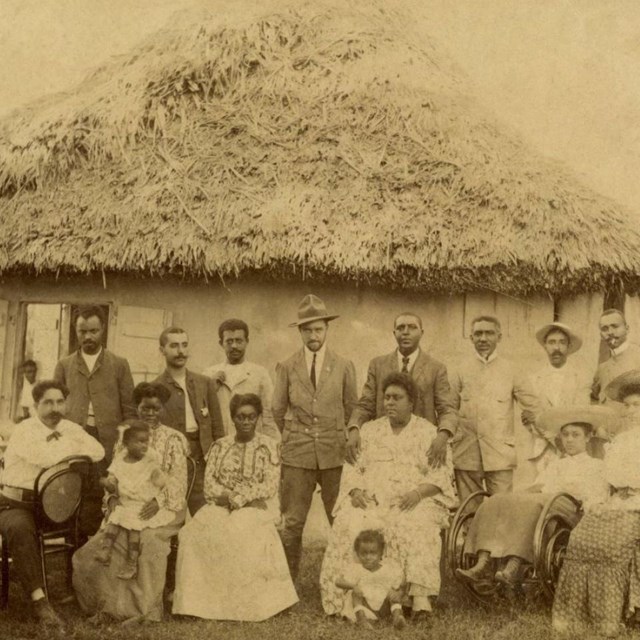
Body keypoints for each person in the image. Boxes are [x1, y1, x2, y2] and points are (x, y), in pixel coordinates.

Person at [320, 372, 456, 622]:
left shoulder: (427, 432)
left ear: (411, 402)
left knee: (415, 524)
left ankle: (418, 601)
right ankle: (348, 601)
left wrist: (417, 493)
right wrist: (356, 491)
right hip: (373, 499)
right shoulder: (370, 431)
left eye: (397, 398)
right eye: (387, 398)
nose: (390, 403)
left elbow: (441, 477)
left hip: (414, 499)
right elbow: (352, 467)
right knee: (349, 521)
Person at [173, 393, 298, 620]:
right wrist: (231, 499)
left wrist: (239, 500)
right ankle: (197, 604)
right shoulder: (220, 446)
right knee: (193, 533)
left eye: (251, 417)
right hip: (222, 504)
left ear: (258, 418)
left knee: (241, 530)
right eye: (241, 417)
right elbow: (210, 485)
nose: (246, 422)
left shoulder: (268, 446)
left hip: (257, 505)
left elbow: (268, 485)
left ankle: (246, 606)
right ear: (233, 418)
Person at [73, 382, 189, 623]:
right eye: (145, 408)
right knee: (101, 546)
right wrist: (113, 497)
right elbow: (117, 473)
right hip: (127, 506)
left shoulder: (173, 439)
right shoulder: (125, 437)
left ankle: (145, 609)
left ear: (162, 409)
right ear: (137, 407)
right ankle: (107, 606)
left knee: (148, 544)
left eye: (155, 408)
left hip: (164, 508)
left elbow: (178, 480)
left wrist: (159, 500)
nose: (150, 413)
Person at [456, 406, 610, 587]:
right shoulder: (555, 465)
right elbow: (538, 486)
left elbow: (596, 497)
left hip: (571, 509)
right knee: (497, 499)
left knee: (535, 504)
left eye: (575, 435)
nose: (569, 439)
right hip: (546, 502)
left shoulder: (596, 466)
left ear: (588, 437)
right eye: (565, 434)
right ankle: (482, 561)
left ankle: (514, 563)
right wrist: (514, 497)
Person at [0, 380, 105, 629]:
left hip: (55, 505)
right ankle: (39, 601)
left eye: (59, 402)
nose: (55, 408)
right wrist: (74, 454)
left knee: (88, 518)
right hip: (16, 503)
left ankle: (78, 588)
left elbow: (98, 450)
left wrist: (73, 449)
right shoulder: (25, 430)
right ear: (36, 405)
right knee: (19, 529)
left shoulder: (70, 427)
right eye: (48, 402)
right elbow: (44, 457)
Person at [272, 294, 358, 579]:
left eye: (318, 329)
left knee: (340, 518)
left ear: (327, 330)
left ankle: (344, 578)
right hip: (298, 453)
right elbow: (277, 409)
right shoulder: (286, 366)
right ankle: (288, 583)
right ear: (300, 332)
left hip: (335, 453)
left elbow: (352, 408)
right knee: (293, 521)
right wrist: (294, 434)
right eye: (307, 330)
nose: (313, 335)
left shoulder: (344, 365)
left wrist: (344, 438)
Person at [553, 370, 640, 637]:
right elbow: (605, 480)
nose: (631, 410)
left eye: (638, 405)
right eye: (627, 405)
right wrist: (596, 501)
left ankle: (622, 611)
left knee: (615, 542)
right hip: (617, 501)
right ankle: (584, 613)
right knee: (581, 537)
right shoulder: (621, 441)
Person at [54, 305, 136, 536]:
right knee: (74, 491)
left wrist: (123, 442)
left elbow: (130, 410)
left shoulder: (119, 364)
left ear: (103, 330)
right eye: (82, 331)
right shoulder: (65, 365)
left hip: (108, 440)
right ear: (76, 331)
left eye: (93, 331)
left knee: (105, 493)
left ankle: (102, 548)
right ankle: (75, 547)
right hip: (75, 441)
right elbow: (56, 407)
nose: (88, 337)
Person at [346, 312, 457, 465]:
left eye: (412, 327)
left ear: (421, 333)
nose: (405, 332)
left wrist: (442, 436)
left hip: (421, 446)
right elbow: (365, 404)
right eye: (400, 328)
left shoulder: (436, 368)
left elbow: (447, 409)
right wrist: (354, 429)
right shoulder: (378, 365)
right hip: (384, 446)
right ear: (394, 333)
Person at [451, 315, 541, 501]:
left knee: (501, 511)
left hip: (500, 455)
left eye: (489, 333)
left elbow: (533, 405)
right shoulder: (460, 370)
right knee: (468, 512)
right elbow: (448, 409)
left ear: (499, 337)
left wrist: (535, 419)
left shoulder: (512, 370)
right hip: (466, 454)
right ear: (471, 338)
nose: (483, 339)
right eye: (478, 334)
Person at [153, 326, 224, 514]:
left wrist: (218, 459)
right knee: (171, 512)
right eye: (174, 346)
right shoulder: (154, 388)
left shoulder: (205, 383)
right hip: (171, 460)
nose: (181, 351)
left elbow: (217, 426)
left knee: (205, 513)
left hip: (202, 457)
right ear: (162, 350)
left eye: (184, 345)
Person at [94, 422, 174, 580]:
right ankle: (106, 548)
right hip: (125, 502)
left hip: (140, 504)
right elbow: (113, 478)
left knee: (134, 532)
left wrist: (158, 477)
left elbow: (161, 481)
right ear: (126, 444)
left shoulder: (149, 462)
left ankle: (131, 563)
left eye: (146, 441)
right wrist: (108, 482)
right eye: (139, 442)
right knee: (113, 521)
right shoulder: (120, 460)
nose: (144, 445)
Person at [527, 322, 591, 471]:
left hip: (572, 448)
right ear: (545, 346)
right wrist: (547, 432)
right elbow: (530, 418)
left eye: (562, 342)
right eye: (552, 342)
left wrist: (561, 439)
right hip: (542, 450)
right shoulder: (533, 380)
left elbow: (579, 415)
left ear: (568, 346)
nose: (557, 348)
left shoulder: (581, 378)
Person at [204, 318, 279, 440]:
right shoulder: (209, 374)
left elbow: (269, 414)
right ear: (221, 343)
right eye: (229, 341)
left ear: (246, 341)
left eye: (239, 341)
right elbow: (202, 413)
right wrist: (211, 389)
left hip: (252, 442)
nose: (234, 346)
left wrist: (271, 444)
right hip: (221, 441)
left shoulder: (260, 373)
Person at [335, 529, 406, 631]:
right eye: (364, 553)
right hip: (365, 606)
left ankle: (397, 617)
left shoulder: (388, 569)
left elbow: (401, 583)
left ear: (381, 553)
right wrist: (353, 586)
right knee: (354, 593)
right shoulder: (356, 569)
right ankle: (362, 620)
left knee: (391, 592)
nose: (368, 557)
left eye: (373, 553)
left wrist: (399, 593)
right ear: (357, 554)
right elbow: (338, 581)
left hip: (383, 607)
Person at [592, 309, 640, 404]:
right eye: (605, 329)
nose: (610, 332)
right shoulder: (602, 370)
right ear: (601, 335)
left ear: (627, 329)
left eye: (615, 326)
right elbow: (594, 401)